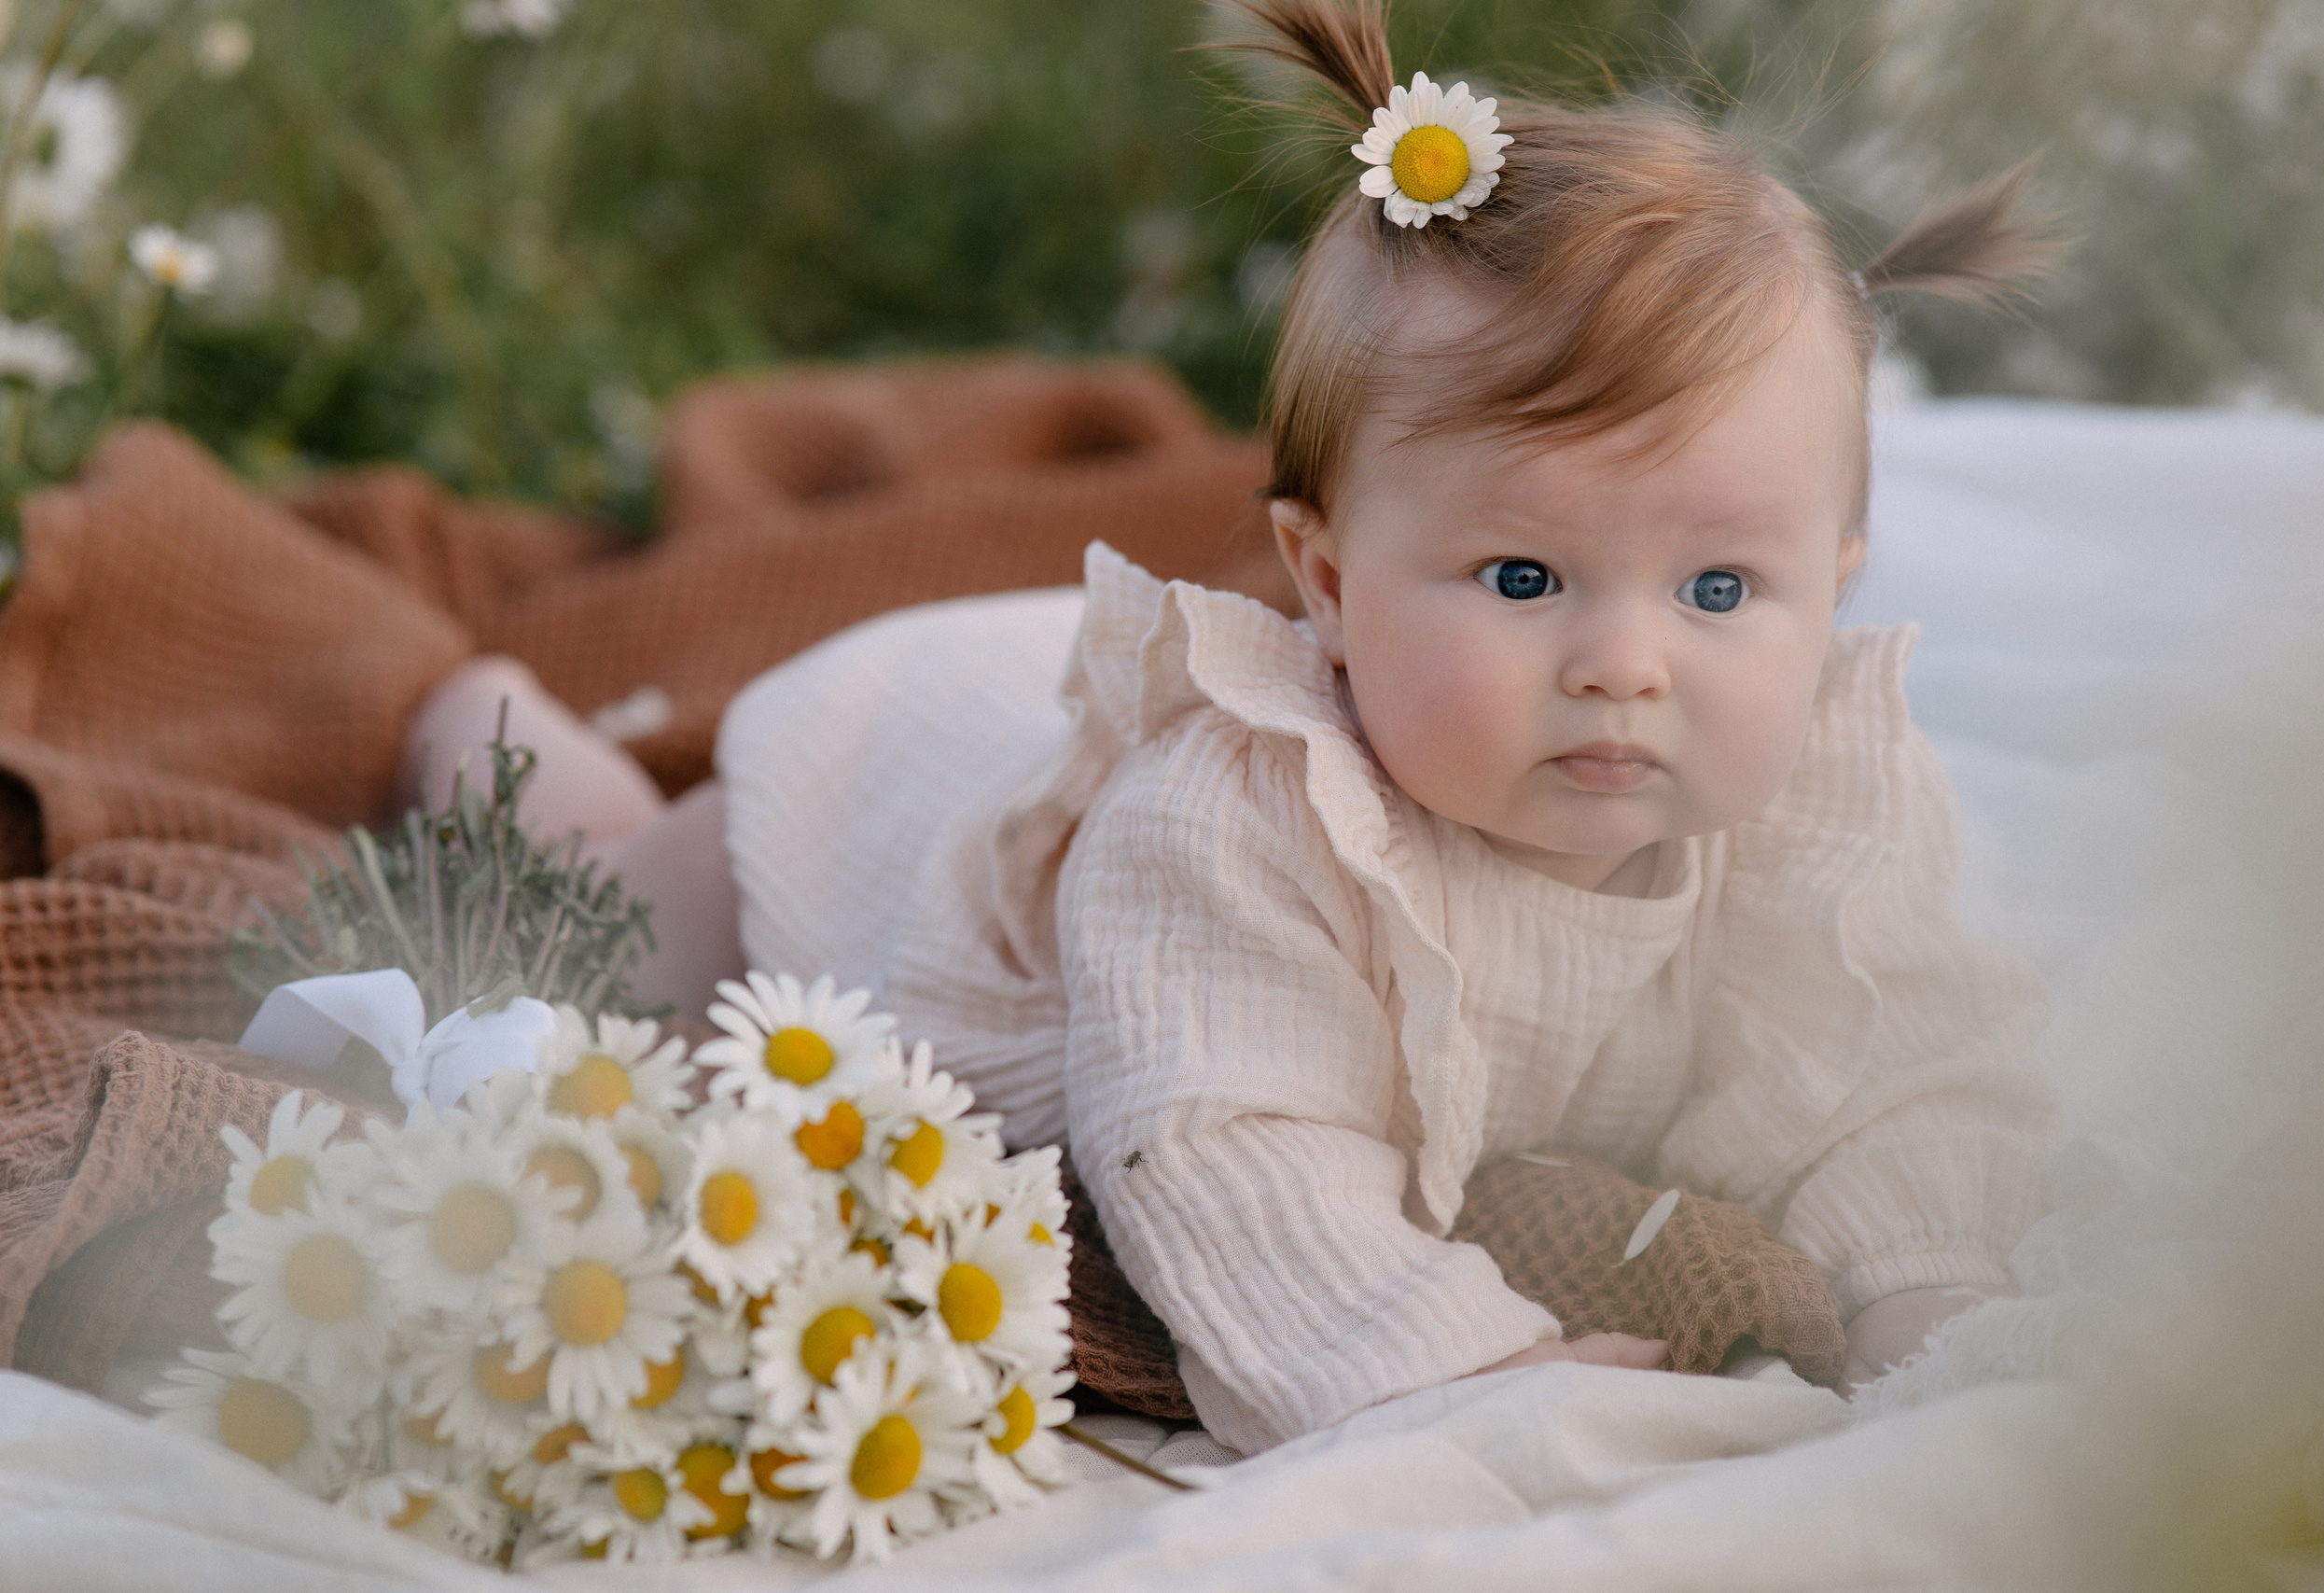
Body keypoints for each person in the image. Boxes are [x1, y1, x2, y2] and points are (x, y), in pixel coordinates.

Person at [400, 0, 2057, 1452]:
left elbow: (1902, 1081)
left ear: (1832, 588)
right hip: (869, 825)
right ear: (1324, 584)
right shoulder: (1235, 830)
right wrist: (1452, 1370)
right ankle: (501, 731)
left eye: (1719, 593)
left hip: (1025, 690)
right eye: (1528, 573)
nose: (1627, 663)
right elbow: (1226, 1151)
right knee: (609, 921)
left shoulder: (1824, 809)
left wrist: (1930, 1296)